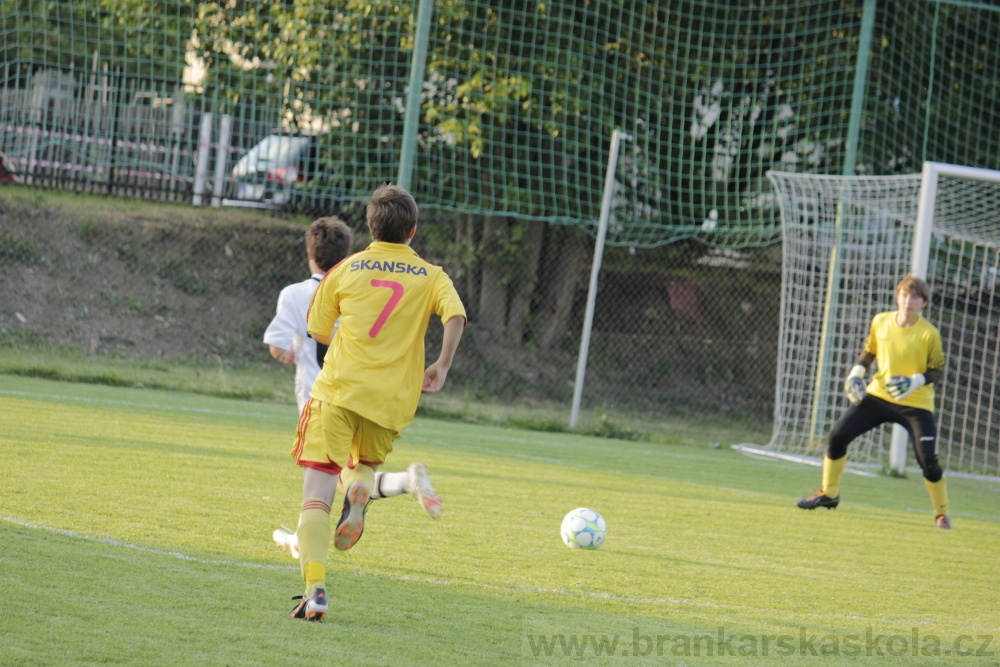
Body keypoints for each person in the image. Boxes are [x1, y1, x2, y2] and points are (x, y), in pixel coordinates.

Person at [287, 184, 467, 621]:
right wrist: (441, 365)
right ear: (413, 230)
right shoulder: (431, 274)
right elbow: (456, 316)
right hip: (392, 399)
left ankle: (315, 590)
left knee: (316, 497)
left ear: (370, 227)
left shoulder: (346, 269)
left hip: (340, 391)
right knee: (362, 465)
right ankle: (362, 488)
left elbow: (319, 330)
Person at [264, 216, 443, 561]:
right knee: (355, 475)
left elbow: (278, 346)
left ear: (310, 253)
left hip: (324, 396)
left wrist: (288, 353)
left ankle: (301, 548)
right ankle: (406, 481)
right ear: (349, 250)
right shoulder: (365, 278)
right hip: (370, 393)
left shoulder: (297, 293)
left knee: (322, 487)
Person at [796, 274, 951, 529]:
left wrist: (914, 381)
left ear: (924, 302)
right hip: (878, 395)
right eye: (904, 294)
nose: (908, 301)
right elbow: (870, 351)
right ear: (896, 296)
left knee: (928, 460)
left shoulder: (929, 334)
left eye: (914, 297)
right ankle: (829, 495)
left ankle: (941, 514)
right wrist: (857, 372)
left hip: (916, 403)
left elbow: (937, 370)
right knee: (837, 436)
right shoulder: (881, 321)